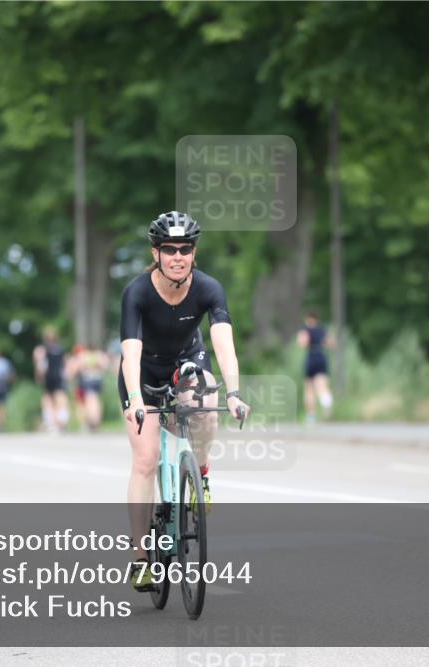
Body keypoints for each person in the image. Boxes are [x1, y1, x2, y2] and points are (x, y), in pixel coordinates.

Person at [119, 211, 250, 591]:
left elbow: (224, 344)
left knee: (205, 402)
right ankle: (141, 558)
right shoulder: (137, 292)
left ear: (194, 252)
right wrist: (134, 400)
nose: (178, 256)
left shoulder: (209, 288)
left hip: (186, 363)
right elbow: (130, 353)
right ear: (156, 253)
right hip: (142, 372)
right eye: (170, 249)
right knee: (145, 462)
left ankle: (201, 472)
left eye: (186, 249)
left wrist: (235, 392)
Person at [296, 311, 335, 424]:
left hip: (312, 356)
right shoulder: (323, 329)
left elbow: (302, 343)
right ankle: (327, 404)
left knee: (309, 388)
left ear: (308, 319)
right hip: (322, 356)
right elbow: (331, 343)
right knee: (323, 385)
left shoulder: (306, 330)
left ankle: (311, 415)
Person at [33, 328, 69, 433]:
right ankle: (61, 421)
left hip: (48, 377)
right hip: (58, 376)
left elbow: (40, 365)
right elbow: (64, 365)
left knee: (48, 399)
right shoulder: (60, 349)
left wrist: (38, 376)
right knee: (60, 398)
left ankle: (52, 423)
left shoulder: (42, 350)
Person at [67, 343, 109, 432]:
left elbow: (75, 369)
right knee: (96, 400)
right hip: (98, 379)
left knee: (90, 401)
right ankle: (96, 422)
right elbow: (105, 366)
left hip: (87, 381)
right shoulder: (99, 355)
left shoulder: (83, 356)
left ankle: (93, 422)